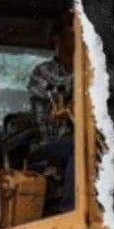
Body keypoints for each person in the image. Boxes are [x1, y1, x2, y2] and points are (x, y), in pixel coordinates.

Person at [28, 13, 76, 213]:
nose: (81, 38)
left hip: (75, 137)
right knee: (80, 146)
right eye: (74, 34)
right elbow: (60, 89)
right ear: (57, 40)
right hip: (46, 144)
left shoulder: (90, 69)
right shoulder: (43, 72)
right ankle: (70, 209)